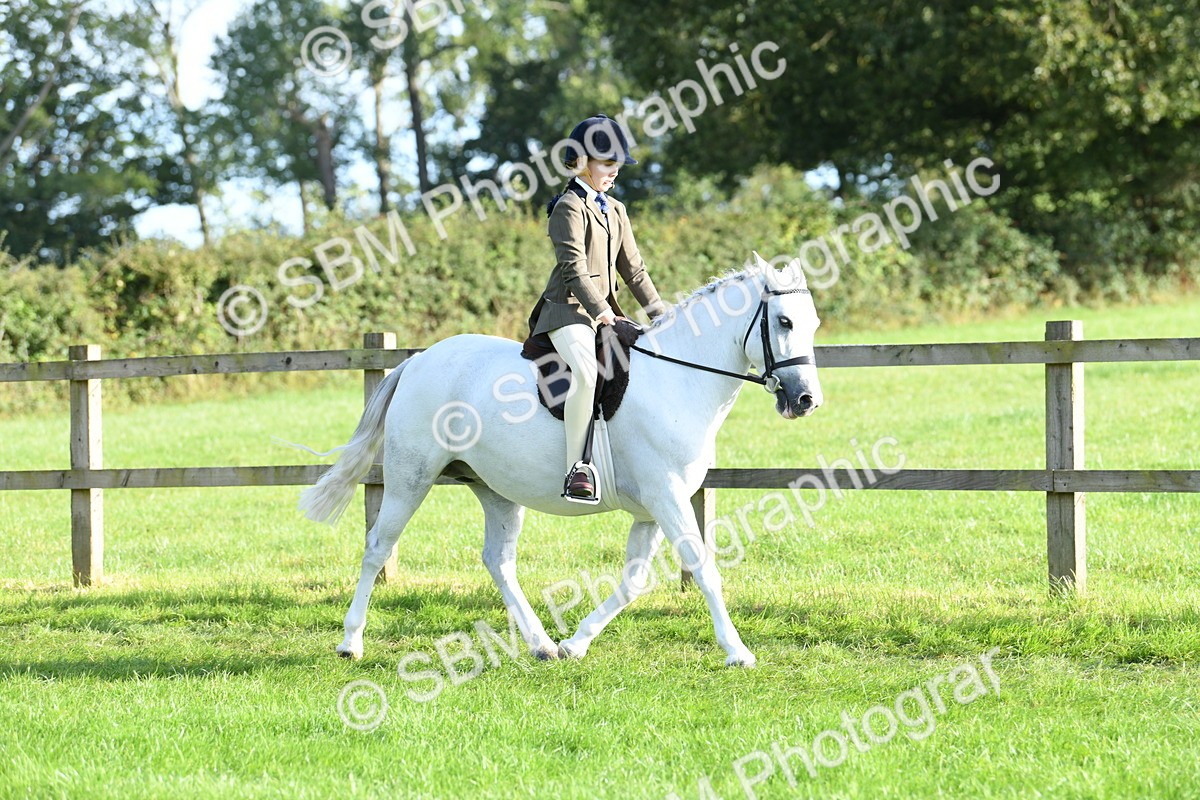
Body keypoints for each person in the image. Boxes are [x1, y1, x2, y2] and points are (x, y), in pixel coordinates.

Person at [527, 114, 665, 501]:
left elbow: (634, 269)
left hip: (606, 311)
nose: (614, 173)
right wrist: (602, 310)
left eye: (617, 166)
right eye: (608, 164)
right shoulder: (567, 207)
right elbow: (573, 271)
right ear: (582, 160)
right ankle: (577, 468)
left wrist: (660, 312)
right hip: (568, 311)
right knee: (587, 373)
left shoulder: (616, 209)